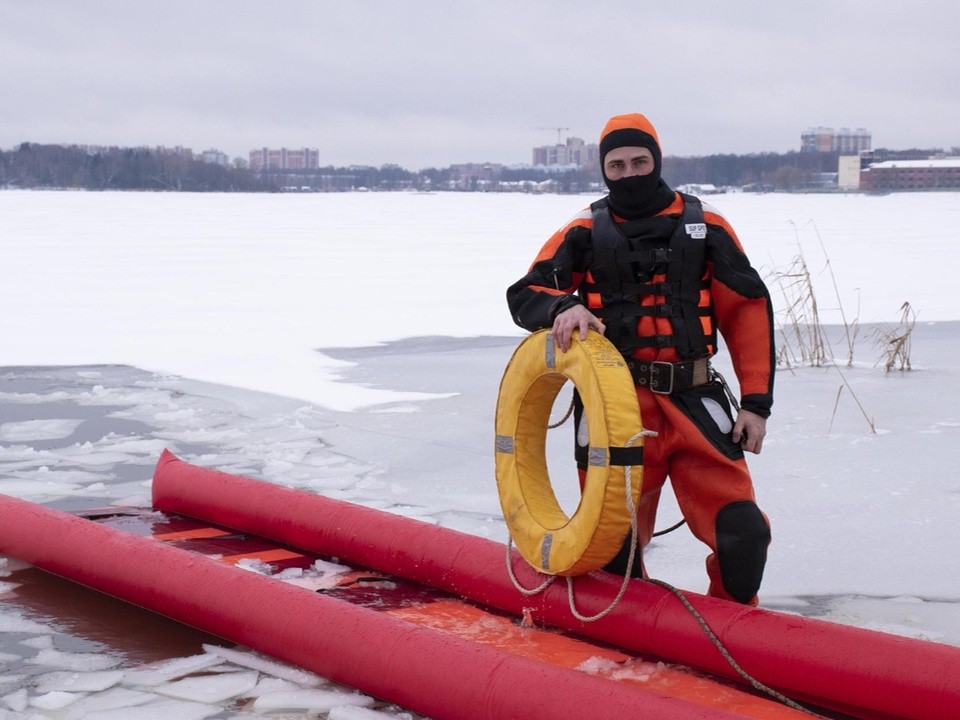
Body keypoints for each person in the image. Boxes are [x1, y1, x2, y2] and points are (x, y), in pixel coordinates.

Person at [506, 112, 774, 604]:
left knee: (744, 535)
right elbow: (526, 293)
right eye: (617, 165)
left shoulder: (707, 225)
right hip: (616, 408)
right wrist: (564, 306)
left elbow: (748, 311)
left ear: (657, 160)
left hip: (695, 400)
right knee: (614, 549)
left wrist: (756, 403)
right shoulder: (584, 230)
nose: (629, 173)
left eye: (638, 161)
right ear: (603, 169)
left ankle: (732, 638)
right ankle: (626, 644)